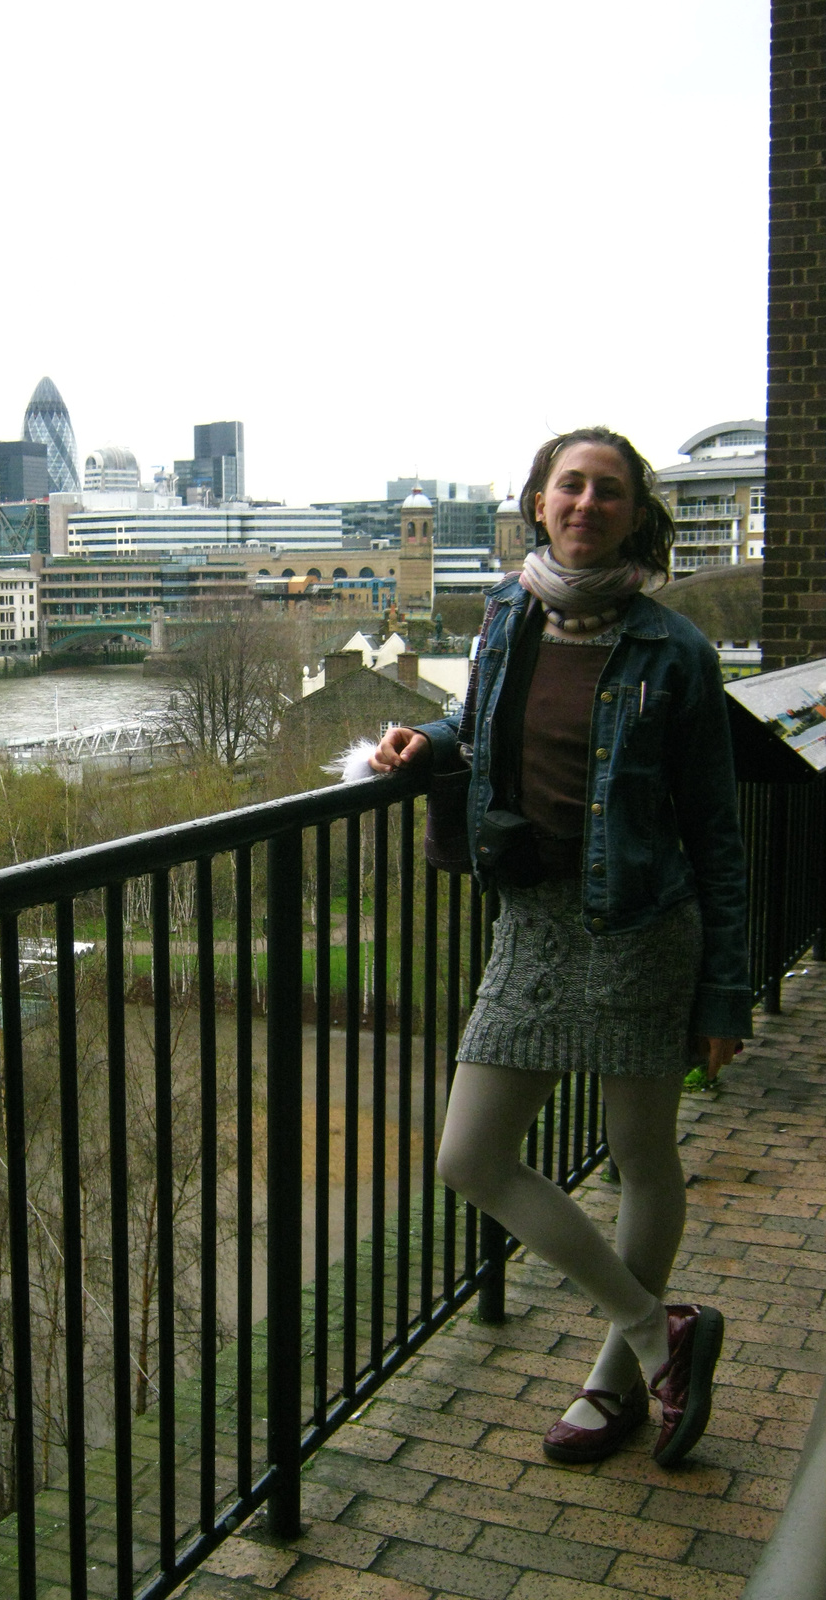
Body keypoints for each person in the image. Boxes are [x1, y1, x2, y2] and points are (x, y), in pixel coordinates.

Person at [371, 426, 750, 1468]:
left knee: (640, 1157)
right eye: (568, 485)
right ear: (538, 501)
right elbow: (481, 718)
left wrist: (725, 997)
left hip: (638, 931)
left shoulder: (675, 651)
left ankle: (616, 1382)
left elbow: (716, 835)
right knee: (470, 1155)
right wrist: (429, 742)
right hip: (533, 926)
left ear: (635, 513)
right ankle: (657, 1327)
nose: (586, 503)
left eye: (609, 491)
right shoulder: (506, 613)